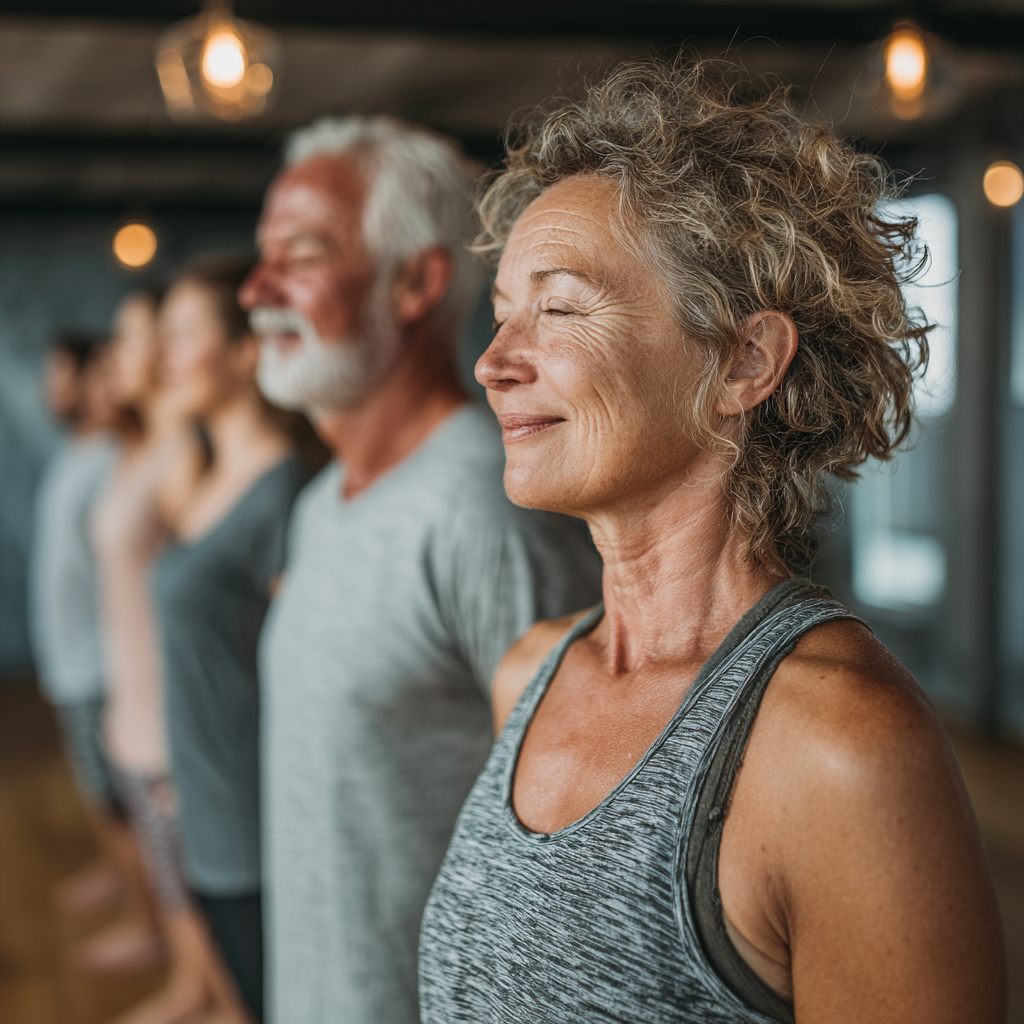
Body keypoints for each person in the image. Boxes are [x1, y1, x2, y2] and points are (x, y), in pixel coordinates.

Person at [419, 59, 1007, 1023]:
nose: (491, 364)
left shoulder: (841, 748)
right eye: (500, 318)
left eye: (560, 309)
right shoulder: (527, 677)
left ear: (744, 360)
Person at [238, 115, 603, 1024]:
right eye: (262, 253)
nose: (257, 288)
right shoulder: (324, 504)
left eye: (304, 252)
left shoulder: (484, 507)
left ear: (417, 280)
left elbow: (570, 863)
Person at [153, 253, 319, 1022]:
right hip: (205, 801)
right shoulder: (208, 474)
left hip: (256, 822)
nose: (163, 357)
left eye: (182, 334)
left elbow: (304, 674)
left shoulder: (281, 490)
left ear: (245, 351)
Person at [91, 290, 246, 1024]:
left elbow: (205, 606)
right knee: (170, 880)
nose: (119, 358)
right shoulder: (144, 448)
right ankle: (194, 992)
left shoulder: (185, 458)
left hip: (167, 719)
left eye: (132, 340)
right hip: (135, 704)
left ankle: (210, 999)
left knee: (192, 889)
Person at [29, 332, 135, 925]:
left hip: (100, 661)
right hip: (70, 655)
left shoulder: (107, 459)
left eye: (63, 375)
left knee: (119, 800)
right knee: (99, 791)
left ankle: (144, 918)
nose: (55, 390)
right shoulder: (77, 450)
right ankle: (120, 878)